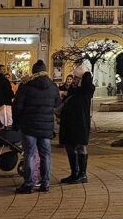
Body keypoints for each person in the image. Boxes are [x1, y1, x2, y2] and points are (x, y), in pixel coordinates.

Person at [13, 60, 60, 193]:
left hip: (28, 126)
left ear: (33, 71)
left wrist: (15, 123)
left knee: (30, 155)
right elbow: (57, 104)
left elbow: (17, 106)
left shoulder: (25, 86)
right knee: (46, 155)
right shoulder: (52, 86)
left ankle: (29, 184)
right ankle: (45, 183)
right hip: (46, 127)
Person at [59, 65, 95, 184]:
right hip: (69, 123)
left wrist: (84, 76)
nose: (73, 80)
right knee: (70, 146)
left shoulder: (85, 90)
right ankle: (74, 173)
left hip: (80, 123)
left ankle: (82, 174)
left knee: (80, 146)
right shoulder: (73, 90)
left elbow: (88, 86)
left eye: (75, 78)